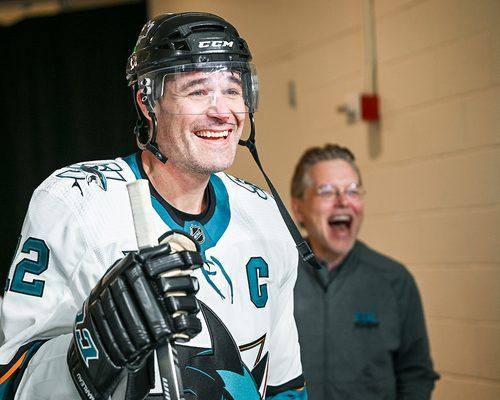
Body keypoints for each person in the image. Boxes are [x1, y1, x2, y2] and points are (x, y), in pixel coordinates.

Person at [0, 13, 308, 400]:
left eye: (232, 90)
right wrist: (88, 351)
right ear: (148, 101)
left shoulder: (265, 216)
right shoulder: (75, 202)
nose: (222, 111)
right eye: (197, 91)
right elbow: (8, 378)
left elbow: (285, 384)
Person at [291, 144, 439, 400]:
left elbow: (416, 374)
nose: (343, 201)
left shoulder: (394, 280)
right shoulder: (273, 278)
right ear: (298, 208)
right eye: (326, 191)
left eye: (352, 190)